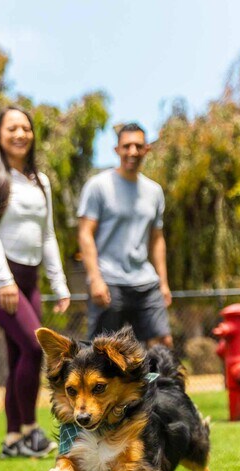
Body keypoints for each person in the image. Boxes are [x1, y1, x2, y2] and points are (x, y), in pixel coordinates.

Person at [0, 105, 71, 458]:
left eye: (25, 128)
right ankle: (30, 431)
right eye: (11, 128)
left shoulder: (40, 181)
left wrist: (59, 284)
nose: (19, 134)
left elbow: (48, 236)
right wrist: (4, 280)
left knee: (20, 358)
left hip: (30, 281)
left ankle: (13, 439)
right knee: (34, 347)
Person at [77, 122, 173, 347]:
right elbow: (85, 234)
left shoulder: (154, 191)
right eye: (127, 146)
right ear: (116, 150)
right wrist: (95, 279)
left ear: (147, 149)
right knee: (102, 351)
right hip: (109, 281)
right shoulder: (98, 186)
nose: (132, 152)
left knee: (162, 344)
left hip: (146, 281)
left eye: (138, 146)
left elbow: (157, 238)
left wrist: (164, 283)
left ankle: (156, 384)